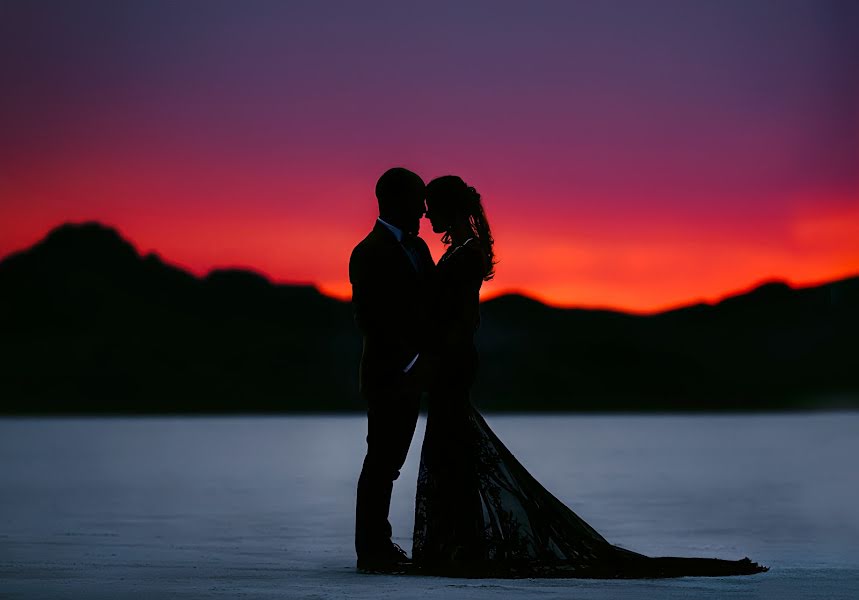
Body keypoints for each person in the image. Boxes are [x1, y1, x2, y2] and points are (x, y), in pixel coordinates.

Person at [411, 175, 768, 578]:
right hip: (449, 358)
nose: (426, 213)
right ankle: (461, 542)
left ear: (451, 209)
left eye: (431, 206)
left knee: (454, 447)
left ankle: (463, 544)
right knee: (452, 449)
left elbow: (464, 319)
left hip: (453, 361)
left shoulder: (469, 253)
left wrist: (437, 357)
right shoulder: (459, 250)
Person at [349, 167, 436, 573]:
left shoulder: (419, 250)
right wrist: (411, 362)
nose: (423, 209)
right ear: (395, 200)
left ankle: (379, 544)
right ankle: (372, 549)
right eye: (417, 199)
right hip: (388, 376)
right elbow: (372, 319)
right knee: (382, 463)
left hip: (415, 376)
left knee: (390, 461)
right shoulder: (368, 252)